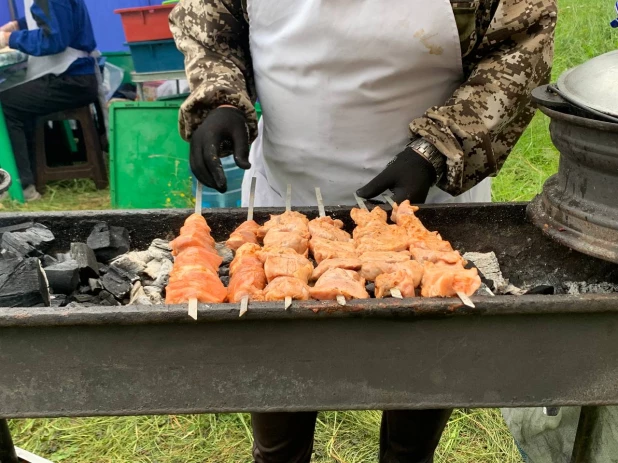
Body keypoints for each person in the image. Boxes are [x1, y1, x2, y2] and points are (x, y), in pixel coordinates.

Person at [170, 0, 557, 461]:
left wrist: (439, 146)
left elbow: (521, 46)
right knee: (280, 386)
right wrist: (218, 96)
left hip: (426, 201)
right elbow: (209, 19)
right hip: (286, 198)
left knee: (419, 393)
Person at [0, 0, 98, 201]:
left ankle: (21, 185)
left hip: (71, 80)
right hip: (77, 77)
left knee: (6, 103)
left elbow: (53, 40)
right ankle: (29, 174)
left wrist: (9, 38)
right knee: (16, 96)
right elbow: (53, 19)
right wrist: (18, 25)